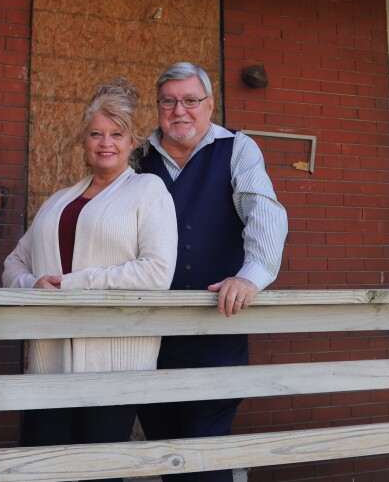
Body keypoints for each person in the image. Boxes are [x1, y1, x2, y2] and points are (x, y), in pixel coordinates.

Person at [1, 78, 177, 456]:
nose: (106, 142)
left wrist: (74, 283)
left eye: (117, 133)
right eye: (96, 133)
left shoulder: (148, 190)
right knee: (42, 464)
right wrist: (33, 285)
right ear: (84, 141)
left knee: (98, 469)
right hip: (49, 363)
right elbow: (14, 261)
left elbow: (157, 272)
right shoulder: (58, 201)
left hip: (111, 364)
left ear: (132, 142)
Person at [136, 62, 287, 482]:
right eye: (169, 101)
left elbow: (266, 215)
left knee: (205, 461)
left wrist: (251, 275)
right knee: (167, 455)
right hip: (148, 340)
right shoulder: (137, 157)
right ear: (159, 106)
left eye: (190, 100)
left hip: (215, 333)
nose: (179, 110)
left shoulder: (238, 148)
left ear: (210, 104)